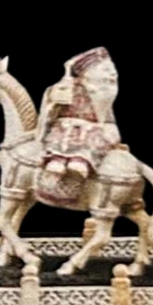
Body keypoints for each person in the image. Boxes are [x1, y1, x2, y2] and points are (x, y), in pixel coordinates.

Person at [37, 48, 121, 200]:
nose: (112, 74)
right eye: (106, 70)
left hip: (94, 128)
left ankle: (78, 168)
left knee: (89, 145)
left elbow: (106, 120)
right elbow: (52, 105)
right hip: (66, 127)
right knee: (59, 144)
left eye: (112, 69)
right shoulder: (70, 86)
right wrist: (56, 97)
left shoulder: (103, 93)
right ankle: (56, 163)